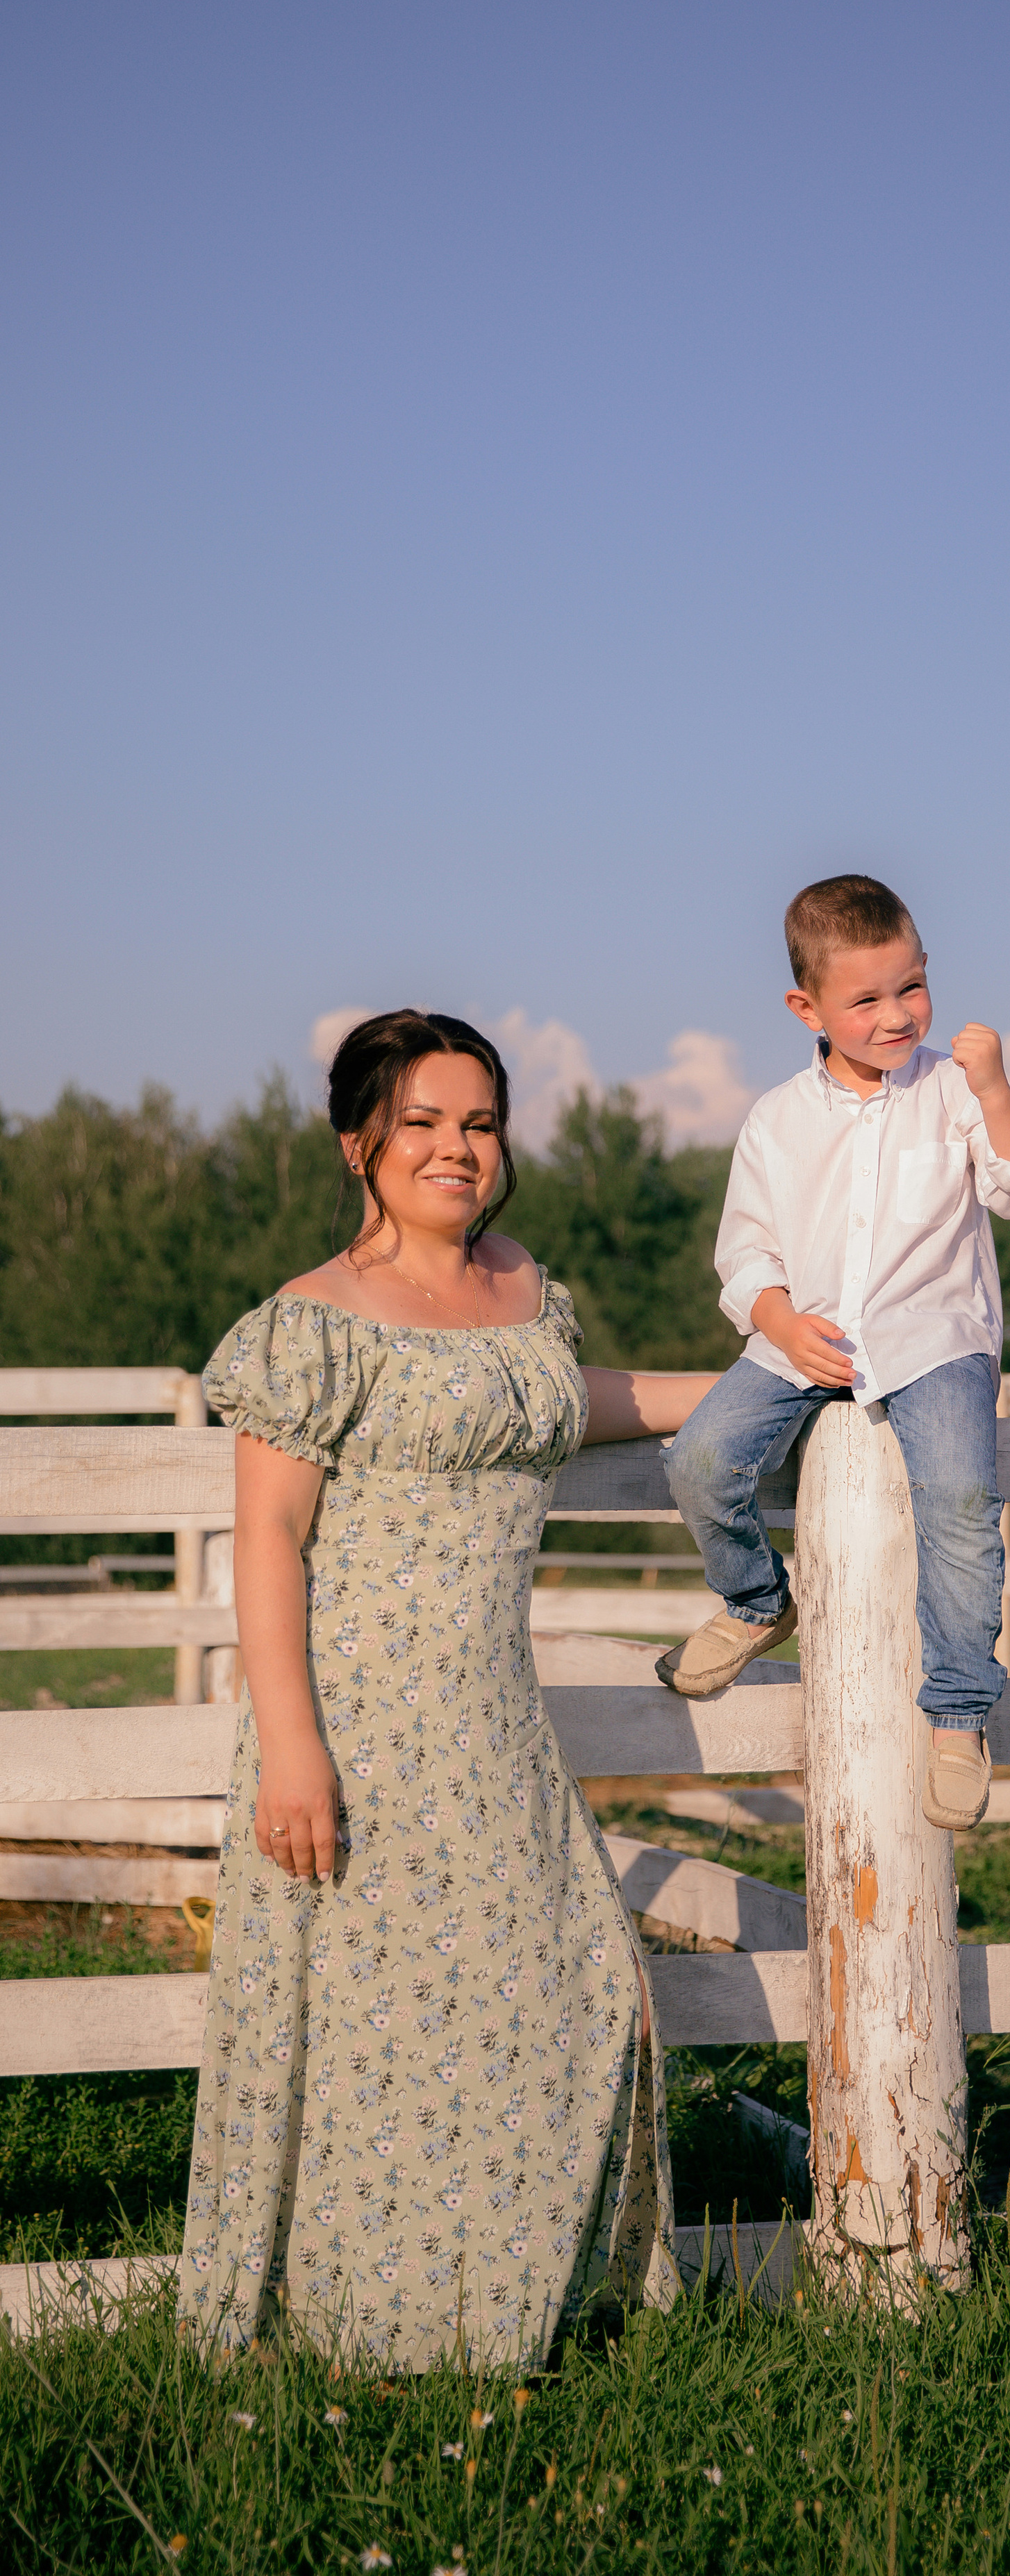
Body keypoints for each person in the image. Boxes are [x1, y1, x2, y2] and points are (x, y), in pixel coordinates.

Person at [177, 1009, 722, 2369]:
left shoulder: (518, 1289)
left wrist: (746, 1391)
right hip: (349, 1726)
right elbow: (268, 1538)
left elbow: (557, 1397)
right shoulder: (310, 1324)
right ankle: (386, 2332)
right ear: (360, 1139)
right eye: (421, 1122)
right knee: (375, 2034)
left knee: (580, 1987)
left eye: (477, 1123)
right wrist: (293, 1753)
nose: (455, 1148)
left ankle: (515, 2299)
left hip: (491, 1722)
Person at [656, 874, 1010, 1830]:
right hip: (805, 1335)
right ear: (808, 1008)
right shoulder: (776, 1118)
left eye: (912, 988)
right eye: (867, 999)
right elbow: (744, 1249)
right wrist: (782, 1321)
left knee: (960, 1498)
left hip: (935, 1339)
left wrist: (997, 1088)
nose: (897, 1016)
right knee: (703, 1458)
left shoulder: (954, 1091)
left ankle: (960, 1708)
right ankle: (757, 1602)